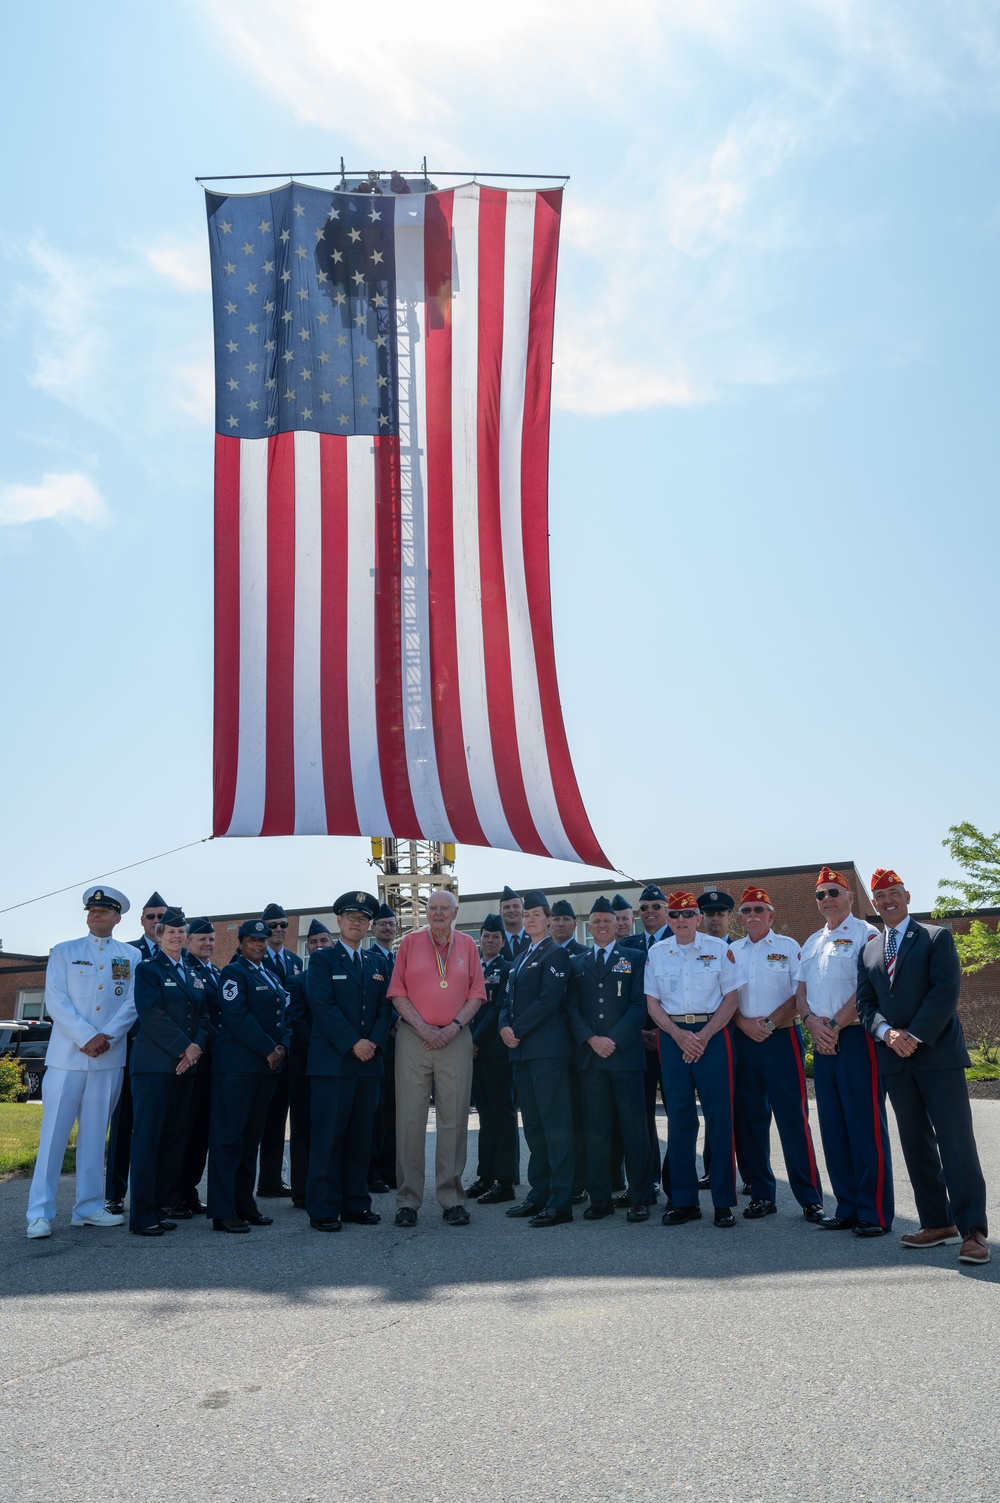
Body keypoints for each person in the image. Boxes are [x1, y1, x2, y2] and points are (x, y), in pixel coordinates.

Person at [856, 868, 989, 1267]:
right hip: (895, 1060)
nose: (887, 900)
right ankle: (937, 1224)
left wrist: (913, 1034)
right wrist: (886, 1034)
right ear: (874, 905)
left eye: (894, 893)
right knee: (916, 1144)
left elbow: (945, 991)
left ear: (907, 896)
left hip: (937, 1056)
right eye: (880, 896)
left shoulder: (936, 936)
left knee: (955, 1142)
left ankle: (973, 1232)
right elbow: (866, 1005)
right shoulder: (869, 950)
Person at [26, 887, 139, 1239]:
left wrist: (107, 1037)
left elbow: (134, 1003)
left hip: (107, 1059)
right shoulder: (64, 952)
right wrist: (86, 1037)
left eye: (104, 911)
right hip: (67, 1060)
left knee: (94, 1137)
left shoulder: (131, 956)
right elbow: (56, 1001)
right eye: (92, 910)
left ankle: (88, 1207)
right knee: (53, 1139)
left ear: (117, 917)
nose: (96, 915)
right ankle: (39, 1213)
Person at [797, 868, 892, 1238]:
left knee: (864, 1126)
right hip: (822, 1041)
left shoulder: (867, 934)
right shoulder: (811, 942)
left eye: (834, 892)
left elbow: (866, 991)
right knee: (833, 1127)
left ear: (850, 897)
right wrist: (811, 1023)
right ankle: (847, 1207)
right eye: (820, 895)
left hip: (855, 1039)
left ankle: (875, 1212)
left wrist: (834, 1026)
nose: (827, 900)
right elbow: (801, 991)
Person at [388, 889, 486, 1228]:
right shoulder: (410, 944)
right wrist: (424, 1028)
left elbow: (477, 994)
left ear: (456, 911)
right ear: (425, 912)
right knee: (410, 1119)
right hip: (415, 1038)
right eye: (433, 908)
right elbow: (397, 993)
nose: (439, 913)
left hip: (456, 1038)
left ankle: (452, 1198)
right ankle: (407, 1200)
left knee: (455, 1118)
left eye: (445, 908)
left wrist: (453, 1026)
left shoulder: (468, 946)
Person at [644, 891, 742, 1227]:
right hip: (673, 1037)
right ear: (668, 920)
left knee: (720, 1118)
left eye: (688, 914)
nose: (681, 920)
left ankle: (723, 1202)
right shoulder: (657, 953)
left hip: (713, 1035)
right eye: (675, 915)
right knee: (680, 1120)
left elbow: (731, 997)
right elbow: (652, 1003)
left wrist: (703, 1035)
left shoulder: (719, 949)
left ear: (698, 918)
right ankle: (683, 1201)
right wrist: (679, 1035)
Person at [731, 886, 824, 1223]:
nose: (752, 915)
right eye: (746, 910)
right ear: (740, 918)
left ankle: (810, 1198)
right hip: (743, 1041)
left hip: (781, 1039)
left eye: (759, 909)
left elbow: (800, 993)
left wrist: (769, 1023)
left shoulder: (788, 947)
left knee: (793, 1119)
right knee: (750, 1121)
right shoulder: (732, 952)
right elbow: (724, 997)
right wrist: (743, 1024)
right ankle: (760, 1194)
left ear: (772, 915)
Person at [304, 892, 391, 1232]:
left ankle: (356, 1203)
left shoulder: (377, 963)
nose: (357, 922)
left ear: (369, 925)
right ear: (339, 921)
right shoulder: (323, 960)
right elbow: (322, 1007)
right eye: (351, 917)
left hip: (368, 1064)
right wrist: (353, 1042)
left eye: (363, 918)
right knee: (328, 1138)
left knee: (360, 1138)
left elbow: (386, 1008)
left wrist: (372, 1043)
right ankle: (323, 1208)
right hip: (333, 1065)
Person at [566, 897, 653, 1222]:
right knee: (596, 1130)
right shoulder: (577, 962)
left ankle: (640, 1196)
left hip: (625, 1058)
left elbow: (638, 1005)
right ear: (589, 927)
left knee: (634, 1131)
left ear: (618, 925)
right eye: (597, 921)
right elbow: (571, 1009)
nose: (602, 926)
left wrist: (613, 1039)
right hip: (592, 1059)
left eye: (608, 921)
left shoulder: (634, 958)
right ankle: (599, 1197)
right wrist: (591, 1039)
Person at [128, 909, 209, 1236]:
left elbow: (202, 1017)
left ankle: (160, 1206)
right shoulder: (148, 970)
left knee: (174, 1140)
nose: (176, 937)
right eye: (170, 932)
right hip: (154, 1067)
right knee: (148, 1140)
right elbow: (152, 1014)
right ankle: (142, 1214)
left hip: (185, 1067)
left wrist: (196, 1047)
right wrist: (184, 1048)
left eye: (181, 932)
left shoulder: (191, 972)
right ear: (158, 936)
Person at [208, 919, 289, 1233]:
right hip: (238, 1068)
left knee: (250, 1141)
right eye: (253, 940)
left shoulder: (268, 974)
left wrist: (282, 1047)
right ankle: (222, 1210)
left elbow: (284, 1014)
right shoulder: (233, 973)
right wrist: (270, 1048)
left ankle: (245, 1204)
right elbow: (237, 1016)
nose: (259, 945)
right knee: (229, 1139)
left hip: (264, 1069)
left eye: (263, 940)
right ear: (240, 943)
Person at [499, 889, 575, 1227]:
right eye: (526, 915)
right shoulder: (518, 958)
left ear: (548, 920)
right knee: (533, 1127)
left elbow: (548, 1001)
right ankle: (538, 1195)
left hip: (546, 1052)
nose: (529, 919)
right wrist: (503, 1026)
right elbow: (506, 1001)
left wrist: (516, 1028)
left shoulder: (555, 954)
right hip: (521, 1053)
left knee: (555, 1126)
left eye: (535, 914)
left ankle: (560, 1202)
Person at [105, 890, 166, 1213]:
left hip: (166, 1056)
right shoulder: (127, 954)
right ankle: (114, 1193)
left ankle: (155, 1194)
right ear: (142, 921)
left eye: (161, 917)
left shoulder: (176, 953)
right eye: (151, 916)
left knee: (158, 1127)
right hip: (131, 1050)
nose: (157, 921)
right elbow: (120, 1001)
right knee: (124, 1123)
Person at [624, 883, 673, 1204]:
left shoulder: (682, 939)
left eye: (656, 906)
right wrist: (639, 1032)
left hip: (672, 1040)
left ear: (667, 909)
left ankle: (675, 1181)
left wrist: (662, 1030)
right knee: (640, 1119)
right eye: (644, 908)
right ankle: (648, 1181)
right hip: (637, 1044)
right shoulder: (627, 946)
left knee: (678, 1116)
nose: (650, 912)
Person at [696, 888, 748, 1192]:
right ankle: (712, 1168)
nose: (714, 919)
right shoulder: (699, 948)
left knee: (749, 1111)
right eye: (709, 914)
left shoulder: (739, 949)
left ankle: (751, 1173)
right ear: (702, 918)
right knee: (716, 1111)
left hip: (747, 1040)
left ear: (730, 917)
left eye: (720, 914)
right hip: (715, 1040)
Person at [466, 914, 518, 1204]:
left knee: (503, 1115)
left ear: (502, 941)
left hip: (495, 1051)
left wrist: (475, 1041)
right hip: (471, 1053)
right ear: (480, 938)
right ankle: (485, 1176)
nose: (490, 941)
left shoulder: (508, 969)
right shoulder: (470, 968)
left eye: (496, 937)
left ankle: (506, 1181)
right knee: (484, 1116)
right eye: (486, 936)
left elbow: (499, 1007)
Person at [174, 916, 221, 1215]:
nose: (208, 944)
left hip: (213, 1063)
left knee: (201, 1132)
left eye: (212, 939)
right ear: (188, 942)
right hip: (190, 1060)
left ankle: (189, 1190)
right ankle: (173, 1193)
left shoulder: (215, 972)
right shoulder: (185, 970)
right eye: (202, 939)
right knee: (184, 1131)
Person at [285, 918, 334, 1207]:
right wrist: (324, 1047)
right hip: (304, 1066)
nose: (318, 946)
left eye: (323, 941)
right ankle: (302, 1190)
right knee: (304, 1129)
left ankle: (331, 1184)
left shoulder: (340, 977)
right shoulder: (296, 981)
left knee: (333, 1127)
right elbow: (297, 1023)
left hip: (337, 1067)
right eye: (313, 942)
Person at [257, 902, 302, 1197]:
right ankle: (256, 1181)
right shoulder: (252, 957)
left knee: (278, 1122)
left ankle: (272, 1181)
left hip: (290, 1049)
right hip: (264, 1051)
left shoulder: (295, 961)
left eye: (283, 924)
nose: (278, 930)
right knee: (259, 1120)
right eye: (273, 925)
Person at [367, 902, 398, 1193]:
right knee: (375, 1111)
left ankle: (391, 1168)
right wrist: (391, 1023)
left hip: (402, 1046)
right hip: (379, 1044)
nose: (387, 928)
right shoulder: (369, 958)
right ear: (373, 928)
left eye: (391, 924)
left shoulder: (401, 958)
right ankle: (373, 1170)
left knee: (396, 1110)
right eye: (382, 924)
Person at [499, 886, 528, 961]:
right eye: (506, 907)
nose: (511, 910)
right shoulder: (495, 942)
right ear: (500, 912)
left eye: (516, 906)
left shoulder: (534, 938)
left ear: (523, 910)